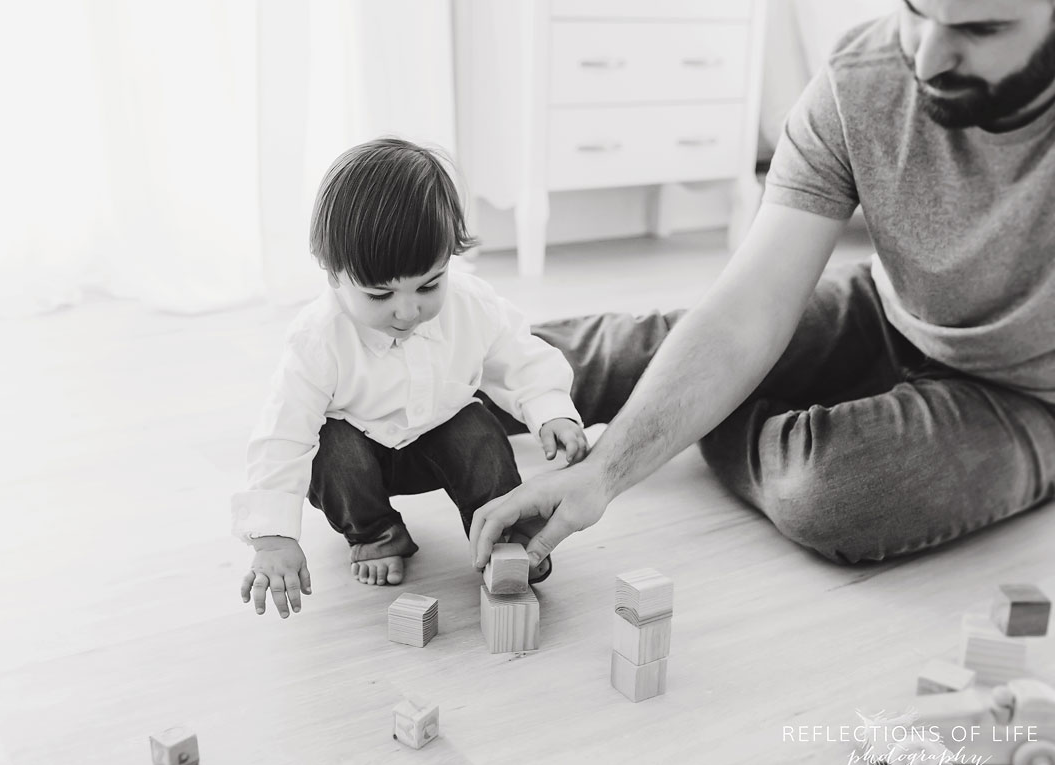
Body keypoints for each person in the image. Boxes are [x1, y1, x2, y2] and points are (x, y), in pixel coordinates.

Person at [469, 0, 1055, 571]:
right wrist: (603, 473)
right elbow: (742, 315)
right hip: (893, 308)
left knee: (833, 492)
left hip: (1029, 396)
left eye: (981, 29)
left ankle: (705, 414)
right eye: (916, 12)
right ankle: (410, 386)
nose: (926, 59)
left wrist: (654, 429)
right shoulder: (863, 76)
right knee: (631, 352)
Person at [235, 138, 587, 618]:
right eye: (380, 294)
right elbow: (283, 436)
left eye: (429, 285)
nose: (408, 310)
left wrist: (549, 409)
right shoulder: (317, 339)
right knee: (329, 452)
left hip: (439, 439)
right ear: (332, 273)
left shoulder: (471, 305)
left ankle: (502, 532)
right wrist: (273, 538)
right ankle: (377, 534)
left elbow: (519, 356)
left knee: (479, 430)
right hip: (362, 458)